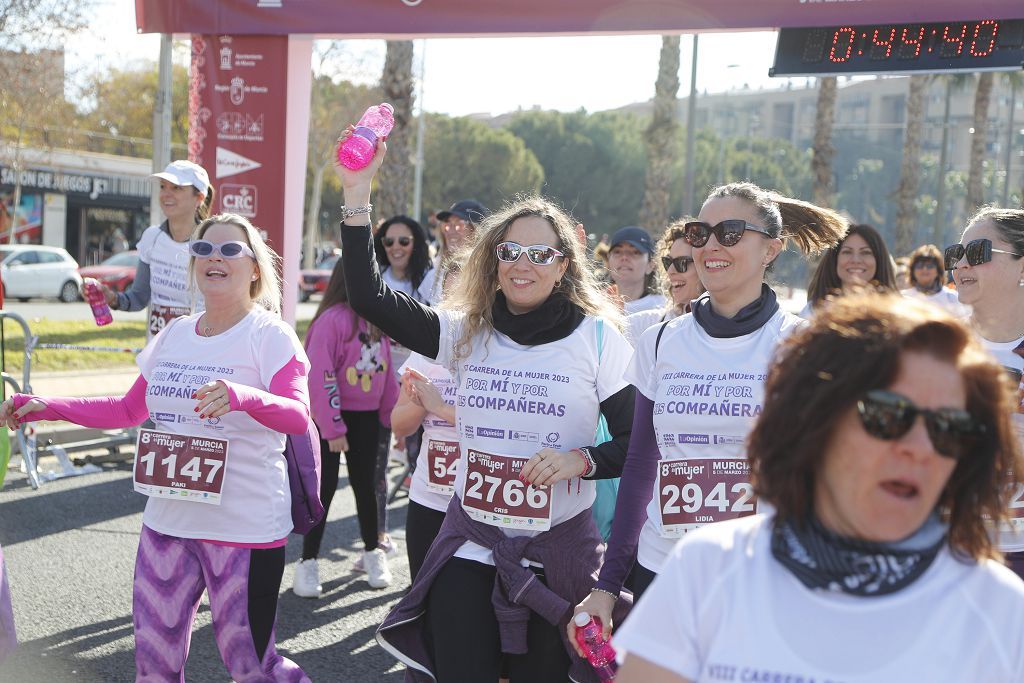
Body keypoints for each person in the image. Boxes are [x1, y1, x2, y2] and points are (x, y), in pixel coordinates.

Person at [333, 131, 636, 682]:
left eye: (540, 254)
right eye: (510, 251)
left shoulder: (598, 341)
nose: (524, 265)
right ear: (494, 259)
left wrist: (580, 460)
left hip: (556, 553)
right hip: (472, 541)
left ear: (563, 264)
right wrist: (357, 190)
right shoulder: (466, 331)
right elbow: (368, 297)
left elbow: (637, 445)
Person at [613, 293, 1024, 682]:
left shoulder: (999, 610)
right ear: (816, 422)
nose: (920, 449)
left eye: (950, 428)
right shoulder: (709, 569)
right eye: (887, 415)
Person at [1, 213, 311, 682]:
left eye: (230, 251)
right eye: (204, 250)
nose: (214, 259)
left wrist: (241, 395)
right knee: (154, 668)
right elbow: (127, 410)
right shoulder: (176, 335)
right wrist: (48, 406)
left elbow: (296, 415)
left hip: (244, 529)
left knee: (252, 668)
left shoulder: (269, 335)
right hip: (166, 526)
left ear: (254, 268)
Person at [570, 181, 846, 647]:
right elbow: (640, 467)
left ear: (771, 250)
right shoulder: (661, 341)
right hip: (666, 569)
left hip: (759, 574)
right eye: (701, 233)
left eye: (731, 232)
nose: (711, 246)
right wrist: (607, 585)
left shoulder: (802, 345)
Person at [292, 258, 399, 596]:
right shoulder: (331, 321)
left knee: (367, 488)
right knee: (321, 492)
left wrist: (389, 418)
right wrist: (333, 428)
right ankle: (307, 563)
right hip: (331, 421)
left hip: (367, 420)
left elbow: (386, 373)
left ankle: (371, 551)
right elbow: (320, 376)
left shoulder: (377, 322)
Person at [946, 206, 1024, 578]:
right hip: (946, 547)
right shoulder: (936, 346)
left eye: (977, 252)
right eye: (955, 254)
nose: (961, 265)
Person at [390, 264, 461, 582]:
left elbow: (503, 427)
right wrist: (419, 404)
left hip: (479, 503)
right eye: (451, 293)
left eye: (467, 292)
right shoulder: (427, 354)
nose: (458, 302)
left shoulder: (500, 353)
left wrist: (441, 406)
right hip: (427, 495)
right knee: (420, 591)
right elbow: (399, 426)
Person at [94, 160, 216, 339]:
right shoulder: (152, 237)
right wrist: (112, 298)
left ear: (199, 198)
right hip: (158, 355)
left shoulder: (211, 243)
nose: (166, 194)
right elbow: (138, 297)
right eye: (163, 186)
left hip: (199, 353)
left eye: (176, 188)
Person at [625, 219, 706, 344]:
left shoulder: (731, 324)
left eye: (681, 263)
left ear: (707, 265)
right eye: (668, 262)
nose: (670, 271)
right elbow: (610, 329)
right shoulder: (654, 322)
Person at [802, 223, 897, 316]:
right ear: (835, 260)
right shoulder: (813, 312)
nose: (856, 260)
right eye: (847, 252)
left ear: (879, 260)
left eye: (865, 252)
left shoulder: (896, 312)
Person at [430, 199, 486, 304]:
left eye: (459, 225)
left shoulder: (489, 275)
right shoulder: (434, 272)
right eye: (446, 225)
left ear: (477, 230)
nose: (450, 231)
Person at [606, 226, 667, 314]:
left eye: (635, 252)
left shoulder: (664, 308)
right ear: (608, 261)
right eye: (617, 252)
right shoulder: (594, 306)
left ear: (651, 265)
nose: (624, 257)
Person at [902, 243, 968, 316]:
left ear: (938, 271)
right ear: (912, 270)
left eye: (930, 266)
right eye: (919, 266)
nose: (924, 269)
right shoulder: (902, 298)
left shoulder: (952, 298)